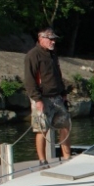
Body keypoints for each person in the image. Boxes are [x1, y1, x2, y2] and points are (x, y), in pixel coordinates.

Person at [24, 26, 71, 164]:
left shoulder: (53, 54)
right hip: (41, 98)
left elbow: (58, 75)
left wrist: (63, 93)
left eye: (54, 39)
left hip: (57, 96)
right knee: (41, 129)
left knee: (65, 125)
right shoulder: (32, 55)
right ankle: (42, 160)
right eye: (50, 39)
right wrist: (37, 99)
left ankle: (67, 156)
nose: (53, 42)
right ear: (41, 38)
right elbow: (29, 79)